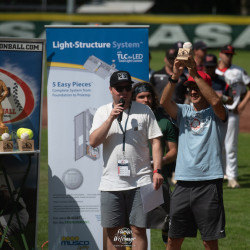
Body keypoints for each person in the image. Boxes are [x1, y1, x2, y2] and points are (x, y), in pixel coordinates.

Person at [89, 70, 163, 249]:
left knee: (138, 229)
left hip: (141, 180)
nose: (123, 92)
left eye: (127, 88)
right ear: (111, 90)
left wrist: (157, 171)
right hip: (111, 182)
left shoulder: (144, 110)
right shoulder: (102, 112)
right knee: (114, 231)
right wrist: (111, 118)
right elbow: (93, 142)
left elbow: (156, 142)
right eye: (119, 88)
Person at [160, 55, 228, 250]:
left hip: (209, 183)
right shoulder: (183, 111)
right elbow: (164, 102)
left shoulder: (217, 113)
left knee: (209, 240)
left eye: (197, 87)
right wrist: (175, 75)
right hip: (182, 183)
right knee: (173, 239)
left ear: (205, 88)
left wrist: (194, 73)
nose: (192, 91)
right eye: (190, 88)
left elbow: (215, 102)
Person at [132, 82, 178, 247]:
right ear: (134, 99)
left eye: (149, 96)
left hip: (158, 178)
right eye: (141, 97)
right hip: (133, 180)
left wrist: (159, 161)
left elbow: (173, 151)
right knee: (134, 226)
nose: (146, 100)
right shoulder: (126, 120)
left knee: (169, 222)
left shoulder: (164, 122)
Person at [216, 45, 250, 188]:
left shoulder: (238, 71)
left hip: (232, 112)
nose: (229, 57)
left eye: (231, 55)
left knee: (231, 146)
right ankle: (221, 174)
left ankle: (232, 177)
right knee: (218, 145)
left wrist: (242, 104)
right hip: (216, 112)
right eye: (226, 54)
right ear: (220, 54)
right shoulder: (213, 71)